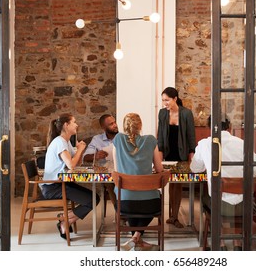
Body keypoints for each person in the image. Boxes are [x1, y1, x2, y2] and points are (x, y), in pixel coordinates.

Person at [190, 114, 256, 251]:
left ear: (210, 128)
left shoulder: (205, 144)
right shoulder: (241, 143)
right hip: (244, 206)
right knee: (231, 195)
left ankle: (220, 244)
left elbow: (195, 169)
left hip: (219, 206)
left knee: (213, 196)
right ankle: (237, 243)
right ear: (230, 127)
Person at [41, 113, 100, 240]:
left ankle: (65, 218)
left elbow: (77, 161)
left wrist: (80, 149)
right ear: (66, 125)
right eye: (74, 122)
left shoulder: (65, 142)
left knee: (95, 198)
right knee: (92, 199)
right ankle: (65, 220)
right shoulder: (59, 142)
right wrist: (79, 150)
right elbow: (71, 165)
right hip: (53, 187)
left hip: (62, 183)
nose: (77, 125)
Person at [113, 113, 164, 251]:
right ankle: (136, 238)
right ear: (140, 126)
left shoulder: (117, 139)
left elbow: (117, 171)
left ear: (124, 126)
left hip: (124, 203)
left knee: (129, 198)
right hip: (149, 204)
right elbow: (160, 169)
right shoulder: (151, 140)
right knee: (155, 200)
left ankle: (135, 238)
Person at [157, 87, 196, 228]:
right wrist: (159, 155)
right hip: (167, 153)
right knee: (170, 183)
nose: (164, 103)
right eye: (163, 100)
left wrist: (191, 156)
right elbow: (160, 135)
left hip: (181, 153)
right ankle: (171, 216)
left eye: (167, 100)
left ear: (175, 99)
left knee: (177, 185)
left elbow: (191, 136)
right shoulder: (162, 113)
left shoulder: (186, 113)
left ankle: (174, 217)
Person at [83, 114, 118, 207]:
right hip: (106, 173)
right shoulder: (97, 139)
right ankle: (120, 213)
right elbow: (85, 157)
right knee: (110, 183)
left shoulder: (122, 137)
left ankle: (126, 211)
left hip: (122, 171)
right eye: (111, 124)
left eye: (115, 122)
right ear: (103, 127)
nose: (115, 125)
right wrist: (96, 155)